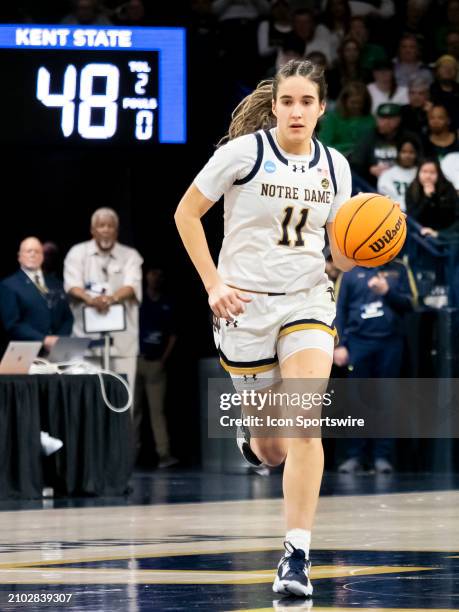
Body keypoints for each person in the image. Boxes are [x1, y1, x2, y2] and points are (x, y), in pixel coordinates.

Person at [174, 59, 354, 598]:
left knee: (305, 421)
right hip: (243, 308)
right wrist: (213, 286)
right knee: (271, 448)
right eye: (287, 101)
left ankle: (295, 555)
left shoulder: (336, 167)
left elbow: (339, 252)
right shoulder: (242, 154)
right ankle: (252, 439)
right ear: (274, 106)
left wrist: (359, 252)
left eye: (307, 102)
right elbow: (186, 215)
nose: (297, 111)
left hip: (306, 302)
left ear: (322, 108)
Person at [334, 259, 417, 473]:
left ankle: (382, 456)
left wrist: (387, 291)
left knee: (386, 399)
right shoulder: (349, 271)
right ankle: (355, 456)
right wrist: (339, 345)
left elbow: (412, 303)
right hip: (358, 343)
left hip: (390, 342)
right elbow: (338, 309)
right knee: (356, 400)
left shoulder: (399, 268)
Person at [63, 208, 143, 389]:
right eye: (101, 226)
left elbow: (132, 286)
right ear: (93, 230)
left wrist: (112, 298)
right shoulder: (77, 252)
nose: (106, 230)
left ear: (116, 230)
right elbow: (71, 285)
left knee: (123, 399)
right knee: (89, 399)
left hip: (122, 344)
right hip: (86, 342)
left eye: (110, 226)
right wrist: (90, 300)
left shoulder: (130, 255)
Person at [134, 266, 178, 469]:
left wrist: (163, 359)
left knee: (157, 412)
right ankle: (130, 456)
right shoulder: (138, 301)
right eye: (153, 273)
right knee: (133, 411)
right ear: (146, 276)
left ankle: (164, 454)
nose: (155, 277)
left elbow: (173, 335)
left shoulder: (167, 303)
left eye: (159, 274)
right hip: (136, 361)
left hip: (155, 364)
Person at [0, 237, 73, 352]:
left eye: (37, 251)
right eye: (28, 251)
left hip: (57, 351)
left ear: (42, 256)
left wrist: (59, 340)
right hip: (25, 352)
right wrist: (43, 339)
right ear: (19, 256)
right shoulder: (8, 285)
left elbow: (68, 317)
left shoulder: (57, 283)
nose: (33, 254)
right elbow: (12, 324)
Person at [405, 159, 459, 240]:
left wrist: (438, 234)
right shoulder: (412, 189)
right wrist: (426, 198)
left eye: (432, 172)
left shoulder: (447, 188)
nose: (428, 176)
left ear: (438, 174)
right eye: (424, 171)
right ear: (418, 173)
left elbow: (452, 215)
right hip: (420, 234)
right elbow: (412, 216)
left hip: (446, 233)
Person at [319, 80, 375, 157]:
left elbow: (373, 144)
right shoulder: (332, 118)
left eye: (360, 103)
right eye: (353, 102)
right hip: (336, 158)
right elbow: (324, 144)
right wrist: (350, 149)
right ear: (344, 101)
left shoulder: (370, 119)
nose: (357, 106)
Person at [377, 137, 420, 211]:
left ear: (416, 154)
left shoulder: (421, 173)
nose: (407, 155)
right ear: (398, 153)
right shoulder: (387, 175)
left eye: (411, 152)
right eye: (404, 152)